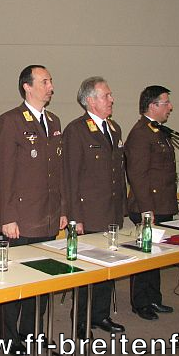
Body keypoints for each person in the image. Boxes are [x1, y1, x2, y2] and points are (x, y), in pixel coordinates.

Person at [0, 65, 66, 353]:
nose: (50, 87)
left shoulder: (54, 120)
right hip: (21, 218)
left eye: (50, 81)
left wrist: (61, 209)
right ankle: (10, 338)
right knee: (15, 280)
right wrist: (7, 216)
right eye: (45, 81)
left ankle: (33, 332)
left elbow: (57, 172)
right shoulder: (10, 121)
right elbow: (3, 174)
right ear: (27, 86)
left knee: (42, 277)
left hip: (47, 215)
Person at [63, 76, 126, 337]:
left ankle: (100, 315)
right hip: (88, 213)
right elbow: (70, 176)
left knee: (108, 267)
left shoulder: (114, 128)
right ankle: (81, 320)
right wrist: (75, 217)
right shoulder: (76, 130)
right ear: (90, 100)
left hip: (111, 212)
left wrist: (122, 209)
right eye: (106, 95)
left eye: (110, 95)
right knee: (86, 271)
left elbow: (117, 173)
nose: (111, 99)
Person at [125, 85, 176, 321]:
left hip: (161, 204)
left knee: (157, 255)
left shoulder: (158, 131)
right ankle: (140, 302)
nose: (170, 107)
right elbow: (137, 175)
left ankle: (154, 297)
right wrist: (147, 209)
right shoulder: (140, 133)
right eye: (166, 103)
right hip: (148, 206)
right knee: (144, 256)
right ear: (152, 106)